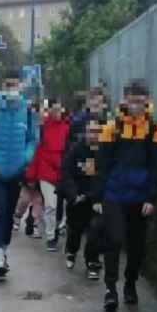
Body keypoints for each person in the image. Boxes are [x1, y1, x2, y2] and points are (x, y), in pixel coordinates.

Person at [93, 79, 157, 312]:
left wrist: (151, 198)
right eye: (132, 101)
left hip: (139, 197)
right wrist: (98, 197)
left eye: (140, 102)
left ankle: (130, 283)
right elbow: (101, 165)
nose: (136, 106)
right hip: (114, 194)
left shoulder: (154, 129)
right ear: (125, 100)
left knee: (137, 246)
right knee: (114, 239)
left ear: (147, 102)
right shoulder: (111, 128)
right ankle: (110, 289)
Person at [0, 77, 38, 279]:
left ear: (20, 87)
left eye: (15, 84)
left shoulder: (28, 112)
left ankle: (3, 251)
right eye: (8, 85)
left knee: (9, 213)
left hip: (16, 172)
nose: (12, 88)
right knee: (1, 212)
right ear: (3, 87)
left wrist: (25, 158)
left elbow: (32, 139)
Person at [60, 118, 105, 279]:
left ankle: (92, 262)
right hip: (77, 198)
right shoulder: (75, 150)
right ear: (85, 133)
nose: (93, 136)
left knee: (95, 230)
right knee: (75, 230)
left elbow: (103, 176)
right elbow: (66, 172)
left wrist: (98, 197)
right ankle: (71, 251)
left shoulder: (103, 152)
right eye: (91, 132)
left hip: (94, 199)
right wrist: (74, 194)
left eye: (97, 133)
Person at [29, 99, 70, 252]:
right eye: (55, 110)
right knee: (51, 205)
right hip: (46, 172)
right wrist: (32, 176)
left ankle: (60, 226)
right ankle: (51, 236)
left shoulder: (67, 128)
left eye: (60, 109)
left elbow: (71, 151)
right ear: (50, 111)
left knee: (65, 205)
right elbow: (37, 152)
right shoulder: (43, 128)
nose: (58, 113)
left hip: (63, 172)